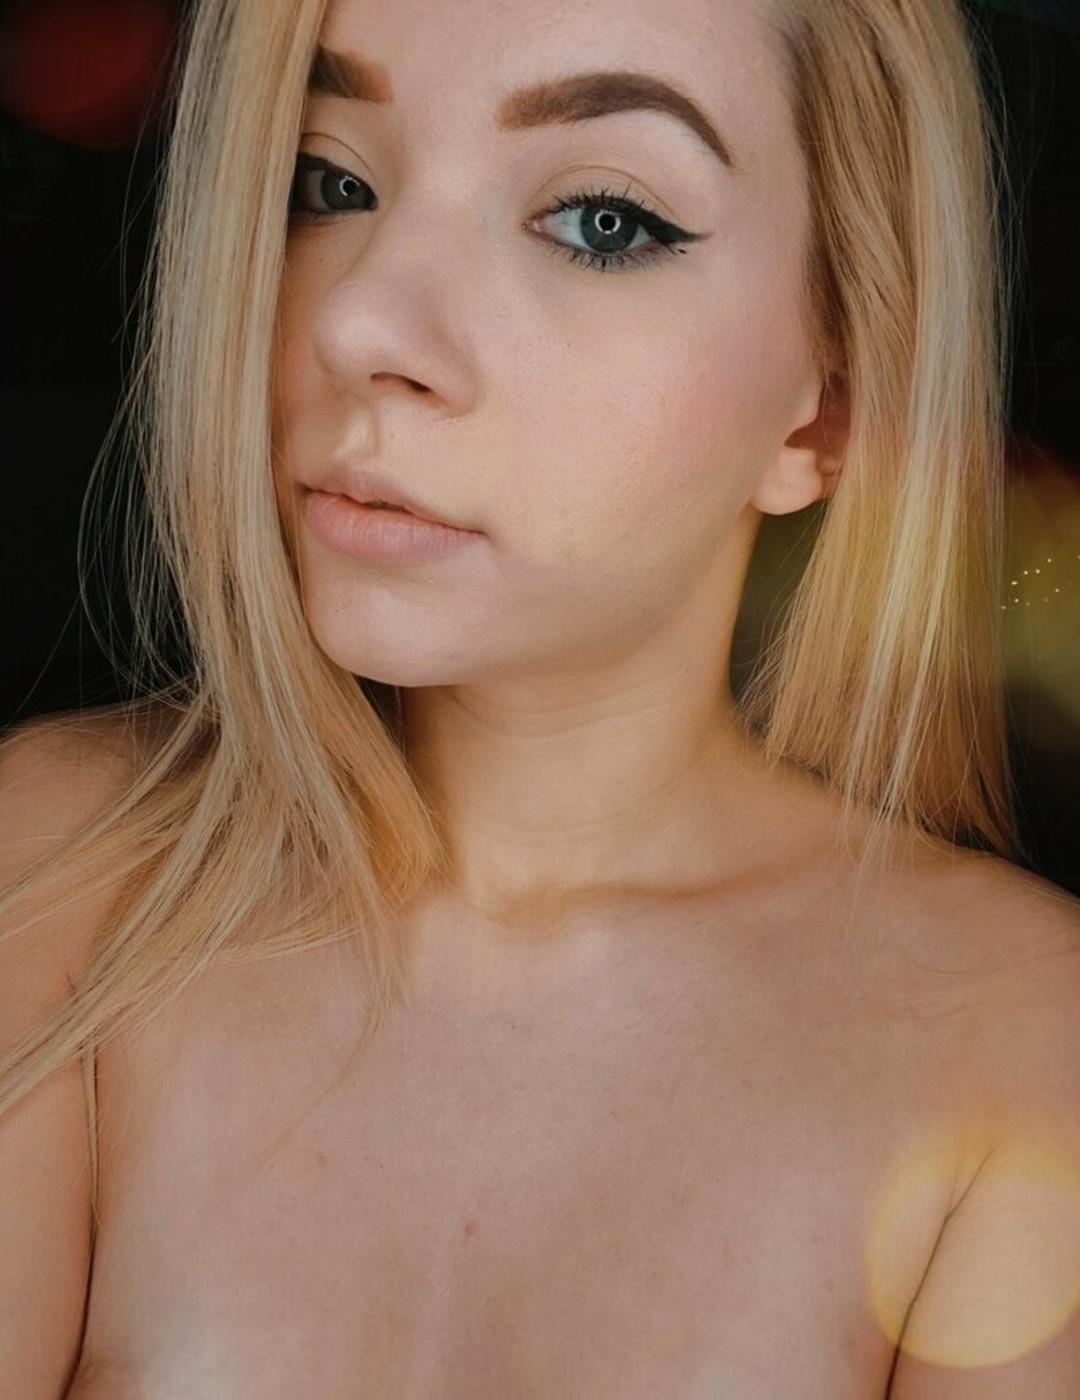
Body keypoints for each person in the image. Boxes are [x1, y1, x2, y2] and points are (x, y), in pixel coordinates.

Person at [1, 0, 1078, 1394]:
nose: (360, 320)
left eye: (600, 222)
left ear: (833, 399)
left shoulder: (1022, 1045)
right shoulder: (57, 877)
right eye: (331, 180)